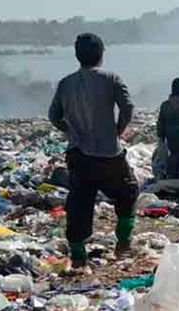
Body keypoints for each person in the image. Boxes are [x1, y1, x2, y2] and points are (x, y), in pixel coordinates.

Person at [48, 33, 137, 271]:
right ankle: (123, 243)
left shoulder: (65, 83)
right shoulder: (111, 78)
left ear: (77, 55)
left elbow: (54, 116)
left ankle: (78, 255)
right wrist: (118, 130)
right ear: (101, 55)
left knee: (79, 201)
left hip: (78, 154)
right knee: (128, 191)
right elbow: (127, 107)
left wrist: (71, 130)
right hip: (109, 153)